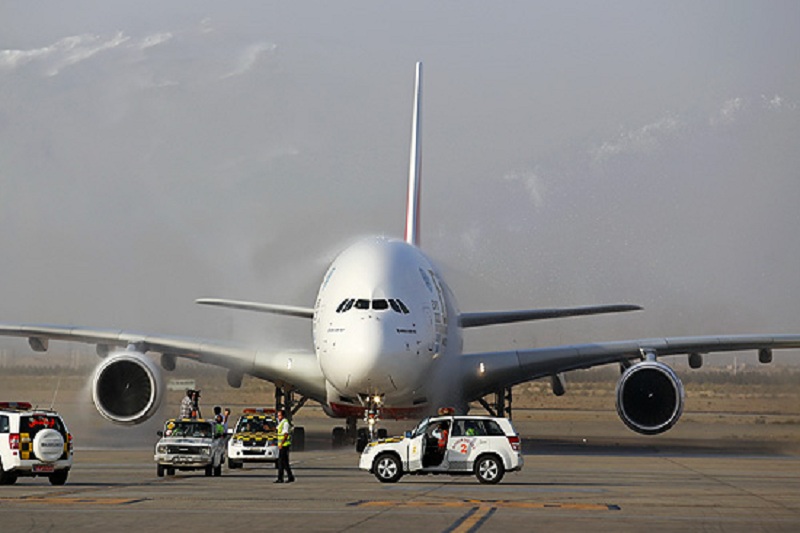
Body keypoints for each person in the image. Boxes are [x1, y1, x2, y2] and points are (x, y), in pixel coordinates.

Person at [274, 410, 295, 483]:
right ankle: (290, 477)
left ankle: (280, 478)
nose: (278, 417)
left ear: (283, 416)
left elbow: (285, 434)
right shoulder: (281, 423)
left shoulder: (285, 423)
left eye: (279, 415)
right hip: (282, 445)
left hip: (284, 445)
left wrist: (281, 444)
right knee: (285, 462)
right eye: (278, 415)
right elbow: (277, 431)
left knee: (280, 462)